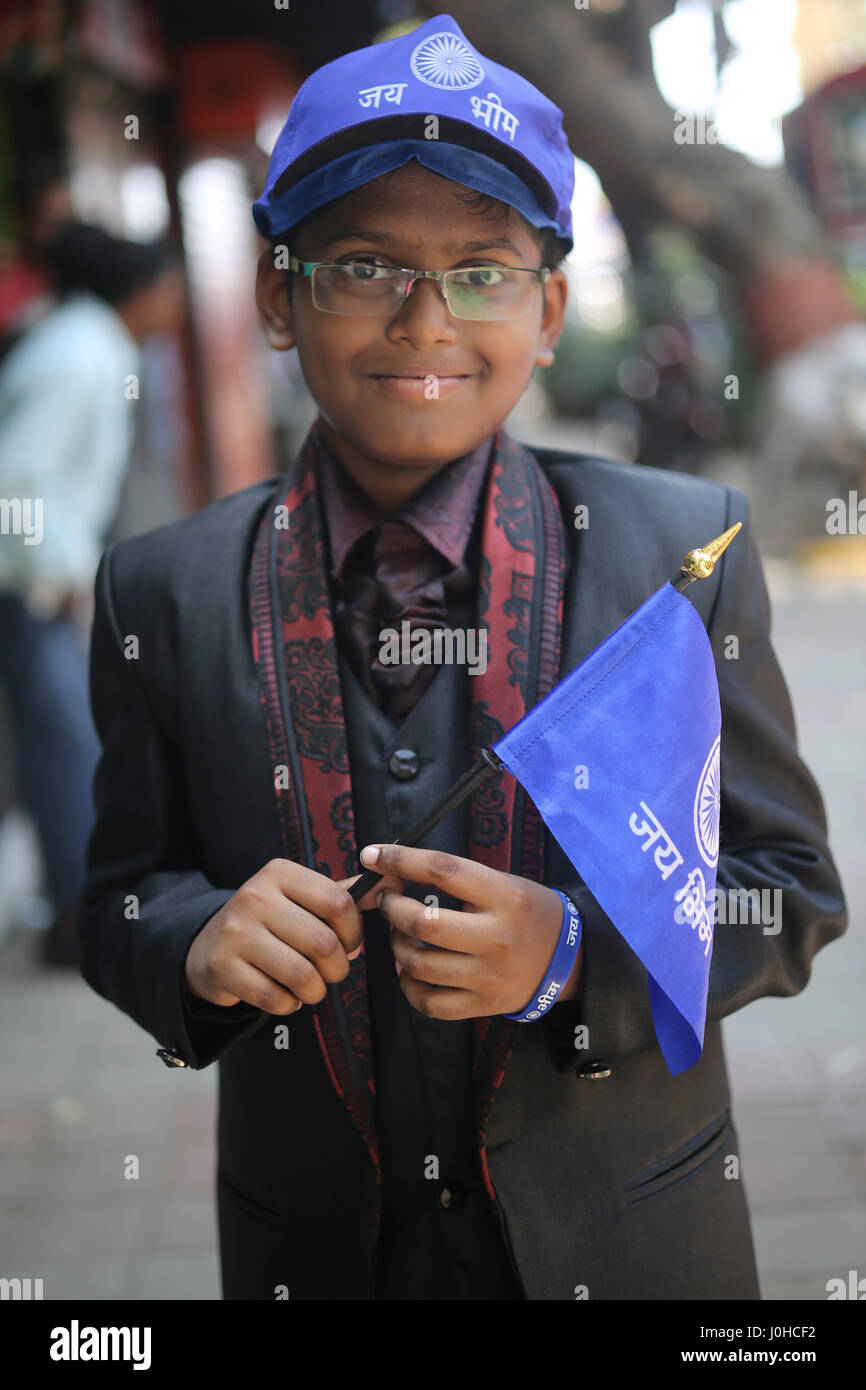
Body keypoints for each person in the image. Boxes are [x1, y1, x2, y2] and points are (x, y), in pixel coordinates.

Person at [77, 14, 847, 1300]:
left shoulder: (674, 557)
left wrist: (569, 957)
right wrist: (196, 941)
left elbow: (786, 891)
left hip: (631, 1242)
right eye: (365, 264)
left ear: (547, 311)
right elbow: (114, 901)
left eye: (482, 271)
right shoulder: (165, 587)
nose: (424, 322)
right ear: (280, 294)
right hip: (316, 1252)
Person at [0, 221, 185, 964]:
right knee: (66, 747)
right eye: (168, 288)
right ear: (138, 291)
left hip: (37, 580)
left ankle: (75, 911)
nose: (174, 305)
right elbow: (18, 475)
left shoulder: (90, 343)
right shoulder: (83, 355)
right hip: (28, 584)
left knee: (66, 742)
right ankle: (78, 917)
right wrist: (59, 572)